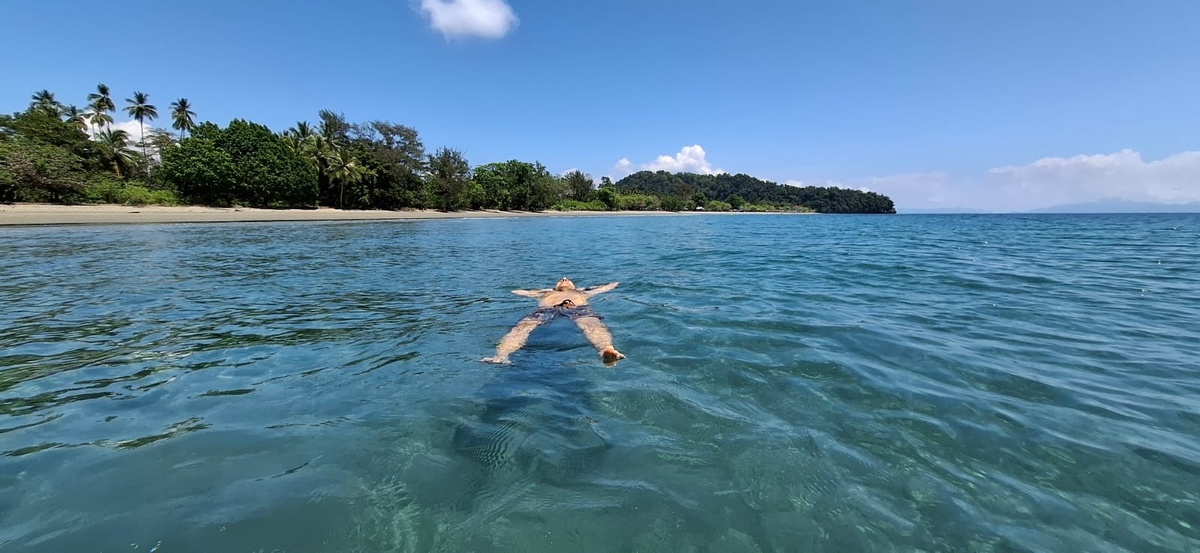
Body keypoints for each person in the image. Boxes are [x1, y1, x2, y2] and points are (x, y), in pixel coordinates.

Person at [483, 277, 625, 364]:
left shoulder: (582, 292)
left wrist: (584, 288)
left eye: (567, 280)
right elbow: (517, 292)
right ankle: (501, 356)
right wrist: (545, 290)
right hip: (545, 310)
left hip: (578, 308)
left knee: (592, 324)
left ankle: (606, 349)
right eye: (561, 280)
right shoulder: (546, 293)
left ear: (574, 286)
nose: (564, 279)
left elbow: (611, 285)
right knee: (522, 327)